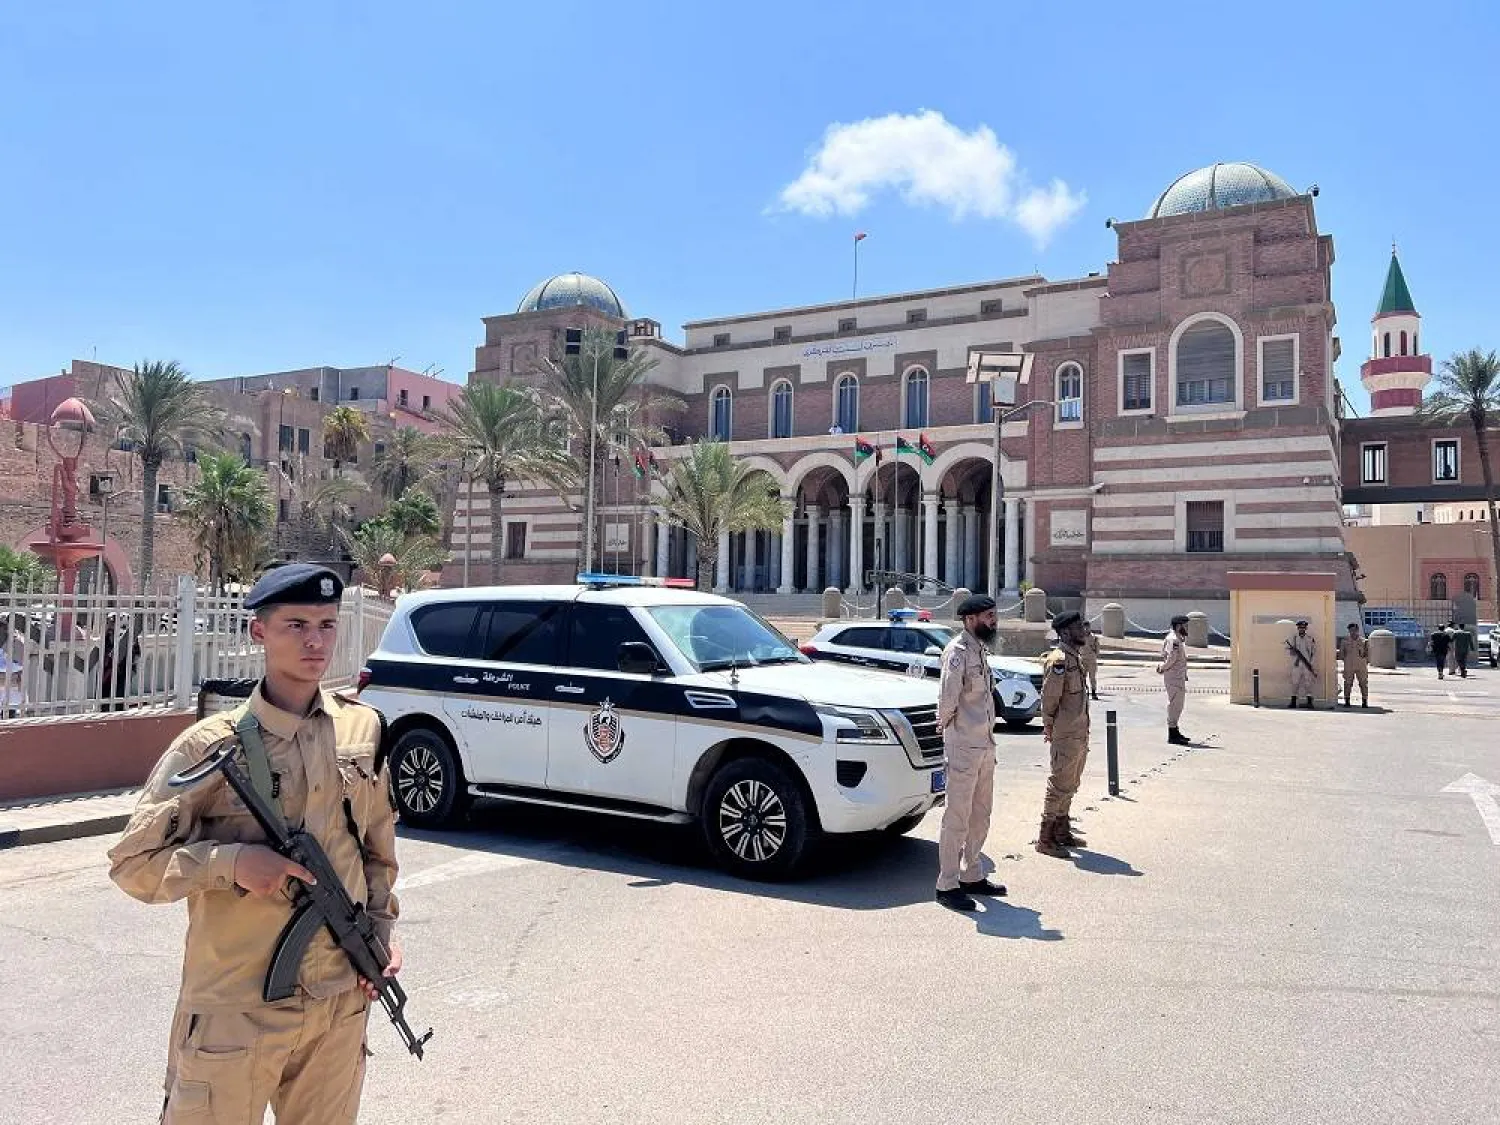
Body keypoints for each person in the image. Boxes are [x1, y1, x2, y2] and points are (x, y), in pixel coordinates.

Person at [108, 564, 401, 1124]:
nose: (315, 641)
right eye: (295, 624)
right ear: (259, 632)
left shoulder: (361, 732)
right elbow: (133, 865)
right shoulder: (210, 746)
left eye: (326, 624)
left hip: (336, 1005)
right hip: (235, 1013)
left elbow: (377, 851)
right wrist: (231, 863)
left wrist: (382, 936)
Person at [934, 594, 1006, 911]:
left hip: (985, 744)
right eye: (988, 615)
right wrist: (950, 728)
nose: (993, 620)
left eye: (994, 615)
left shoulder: (980, 650)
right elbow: (948, 699)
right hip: (963, 745)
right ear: (970, 619)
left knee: (981, 815)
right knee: (957, 818)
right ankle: (947, 883)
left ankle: (972, 874)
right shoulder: (957, 653)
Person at [1037, 610, 1092, 858]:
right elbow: (1050, 697)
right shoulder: (1059, 660)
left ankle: (1062, 830)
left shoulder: (1074, 657)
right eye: (1079, 627)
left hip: (1079, 731)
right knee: (1059, 784)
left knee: (1072, 782)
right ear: (1066, 631)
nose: (1084, 631)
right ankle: (1045, 838)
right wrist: (1048, 725)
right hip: (1066, 733)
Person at [1158, 615, 1191, 745]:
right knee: (1175, 704)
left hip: (1178, 676)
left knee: (1178, 705)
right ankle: (1172, 734)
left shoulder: (1178, 639)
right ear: (1178, 626)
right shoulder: (1174, 640)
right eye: (1185, 626)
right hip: (1173, 677)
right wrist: (1162, 668)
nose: (1187, 628)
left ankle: (1175, 730)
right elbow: (1171, 659)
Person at [1336, 622, 1369, 709]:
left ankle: (1364, 701)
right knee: (1347, 683)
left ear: (1358, 630)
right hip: (1349, 665)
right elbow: (1341, 654)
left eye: (1354, 630)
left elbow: (1368, 654)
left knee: (1363, 684)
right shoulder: (1345, 641)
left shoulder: (1364, 641)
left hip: (1361, 666)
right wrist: (1346, 660)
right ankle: (1347, 701)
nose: (1353, 632)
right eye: (1351, 630)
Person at [1287, 619, 1318, 708]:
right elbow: (1291, 652)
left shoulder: (1310, 638)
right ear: (1298, 628)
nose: (1301, 629)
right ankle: (1293, 701)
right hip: (1296, 664)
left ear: (1305, 628)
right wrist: (1293, 652)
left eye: (1303, 628)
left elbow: (1313, 653)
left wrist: (1310, 664)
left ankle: (1309, 702)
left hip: (1307, 663)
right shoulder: (1295, 637)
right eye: (1300, 628)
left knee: (1308, 683)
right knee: (1295, 682)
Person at [1081, 621, 1100, 700]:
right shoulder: (1080, 637)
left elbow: (1097, 650)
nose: (1086, 629)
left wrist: (1093, 656)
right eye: (1084, 627)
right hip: (1082, 659)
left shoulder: (1094, 638)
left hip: (1091, 660)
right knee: (1082, 677)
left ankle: (1093, 692)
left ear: (1089, 627)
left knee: (1092, 677)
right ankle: (1084, 692)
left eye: (1087, 627)